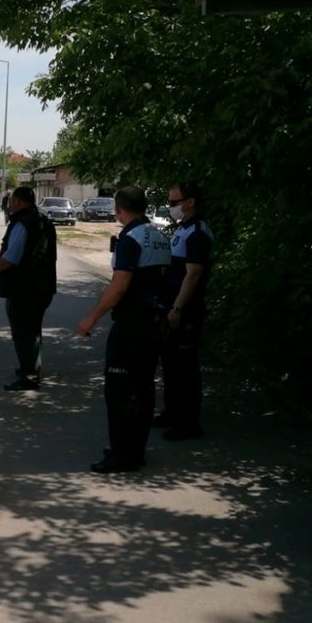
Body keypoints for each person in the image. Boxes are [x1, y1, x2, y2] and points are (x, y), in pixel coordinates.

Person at [76, 186, 170, 473]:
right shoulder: (159, 236)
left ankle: (122, 454)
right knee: (143, 387)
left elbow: (120, 286)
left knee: (119, 389)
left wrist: (91, 318)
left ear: (118, 210)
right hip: (155, 322)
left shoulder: (130, 239)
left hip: (132, 325)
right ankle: (134, 449)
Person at [156, 181, 214, 440]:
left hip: (186, 310)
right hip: (172, 307)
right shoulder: (184, 228)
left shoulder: (198, 232)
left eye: (174, 202)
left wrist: (178, 308)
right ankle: (172, 413)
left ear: (190, 202)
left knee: (185, 368)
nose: (171, 207)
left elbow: (193, 274)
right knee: (171, 365)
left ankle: (189, 423)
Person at [0, 185, 57, 391]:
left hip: (24, 288)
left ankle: (29, 376)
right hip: (43, 286)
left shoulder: (23, 223)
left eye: (11, 201)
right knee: (33, 330)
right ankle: (31, 367)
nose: (9, 205)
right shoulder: (42, 219)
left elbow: (12, 257)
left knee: (23, 332)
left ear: (17, 201)